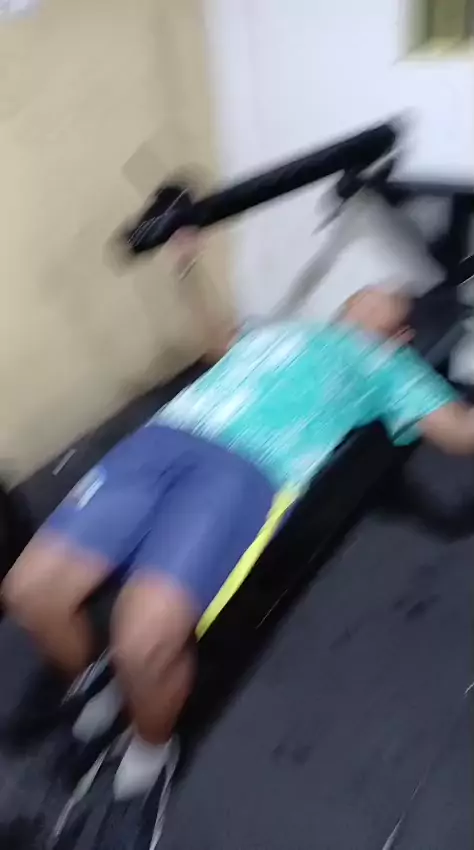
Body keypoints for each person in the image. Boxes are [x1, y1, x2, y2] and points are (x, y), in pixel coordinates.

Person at [2, 286, 474, 814]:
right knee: (29, 592)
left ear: (400, 334)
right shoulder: (281, 329)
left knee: (144, 644)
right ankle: (94, 685)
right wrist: (189, 269)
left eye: (387, 296)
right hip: (161, 441)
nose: (368, 294)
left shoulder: (387, 364)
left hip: (245, 471)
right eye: (363, 291)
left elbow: (460, 432)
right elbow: (219, 344)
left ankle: (149, 753)